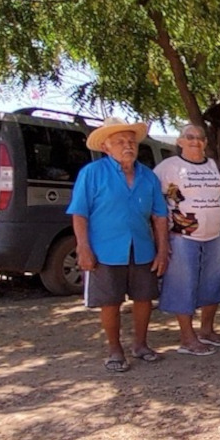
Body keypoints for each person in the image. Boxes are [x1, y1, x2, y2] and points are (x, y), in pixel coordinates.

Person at [68, 118, 169, 373]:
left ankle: (141, 345)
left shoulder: (148, 176)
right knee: (110, 301)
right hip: (105, 250)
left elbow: (159, 216)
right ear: (106, 147)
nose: (128, 146)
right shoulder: (92, 174)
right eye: (121, 142)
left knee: (144, 297)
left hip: (142, 247)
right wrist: (83, 247)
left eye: (131, 141)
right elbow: (79, 213)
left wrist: (162, 250)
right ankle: (115, 349)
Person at [154, 123, 220, 356]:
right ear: (180, 141)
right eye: (190, 137)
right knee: (183, 284)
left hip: (215, 236)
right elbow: (156, 200)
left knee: (214, 282)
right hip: (183, 237)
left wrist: (214, 213)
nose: (195, 141)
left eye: (200, 138)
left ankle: (206, 330)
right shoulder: (168, 168)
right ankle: (187, 337)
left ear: (206, 143)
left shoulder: (216, 167)